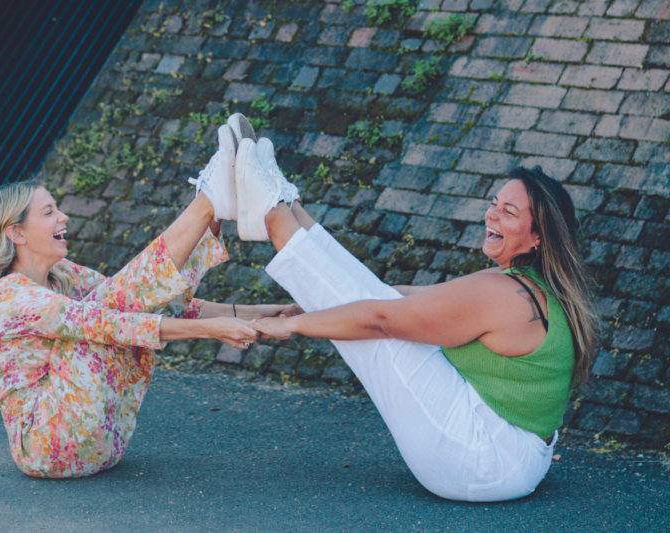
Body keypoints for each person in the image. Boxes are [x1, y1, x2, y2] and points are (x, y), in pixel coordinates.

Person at [227, 120, 599, 502]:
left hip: (485, 462)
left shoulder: (504, 293)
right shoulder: (527, 282)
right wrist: (319, 305)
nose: (491, 216)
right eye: (493, 205)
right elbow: (403, 296)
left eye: (508, 212)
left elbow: (382, 319)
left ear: (538, 236)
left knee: (384, 333)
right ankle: (284, 203)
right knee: (378, 301)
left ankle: (271, 213)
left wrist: (296, 324)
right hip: (516, 456)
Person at [0, 124, 294, 478]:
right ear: (16, 232)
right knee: (108, 313)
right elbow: (107, 323)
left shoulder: (63, 275)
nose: (63, 216)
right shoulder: (10, 297)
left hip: (102, 441)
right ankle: (210, 204)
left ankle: (216, 208)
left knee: (123, 298)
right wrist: (209, 331)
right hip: (48, 448)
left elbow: (145, 299)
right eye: (49, 212)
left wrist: (259, 314)